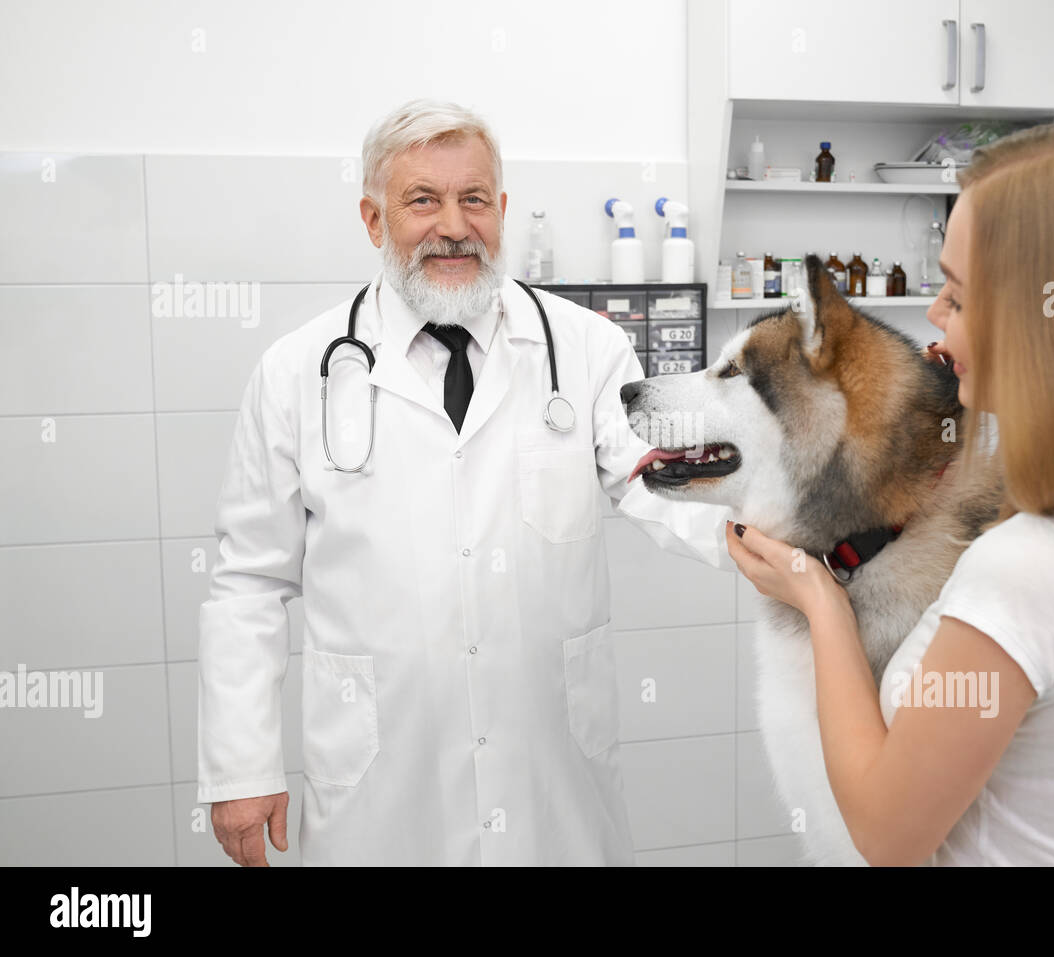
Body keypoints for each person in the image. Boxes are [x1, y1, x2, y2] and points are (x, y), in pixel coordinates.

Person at [726, 114, 1054, 865]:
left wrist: (818, 599)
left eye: (957, 293)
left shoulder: (1028, 567)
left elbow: (885, 835)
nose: (933, 315)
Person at [197, 99, 728, 866]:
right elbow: (247, 581)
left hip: (551, 782)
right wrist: (241, 765)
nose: (453, 225)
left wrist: (793, 528)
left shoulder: (586, 349)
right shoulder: (295, 374)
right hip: (378, 790)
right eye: (422, 200)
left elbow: (663, 488)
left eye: (473, 198)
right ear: (374, 220)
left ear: (501, 211)